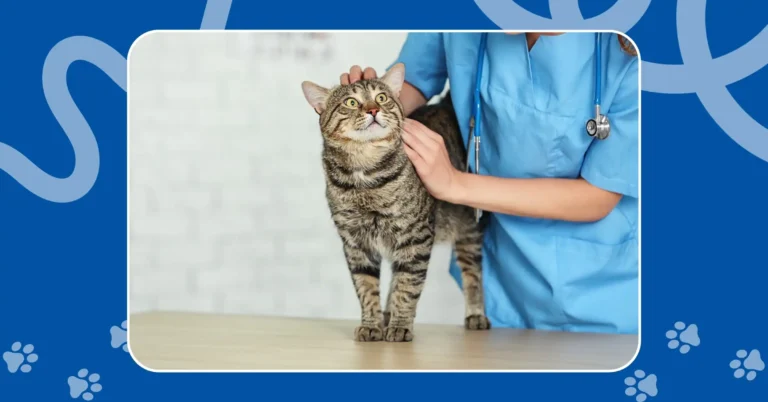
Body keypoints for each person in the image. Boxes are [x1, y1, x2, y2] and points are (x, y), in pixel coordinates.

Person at [340, 32, 639, 334]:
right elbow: (414, 79)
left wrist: (455, 184)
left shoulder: (636, 51)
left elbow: (600, 194)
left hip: (600, 293)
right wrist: (365, 108)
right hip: (498, 273)